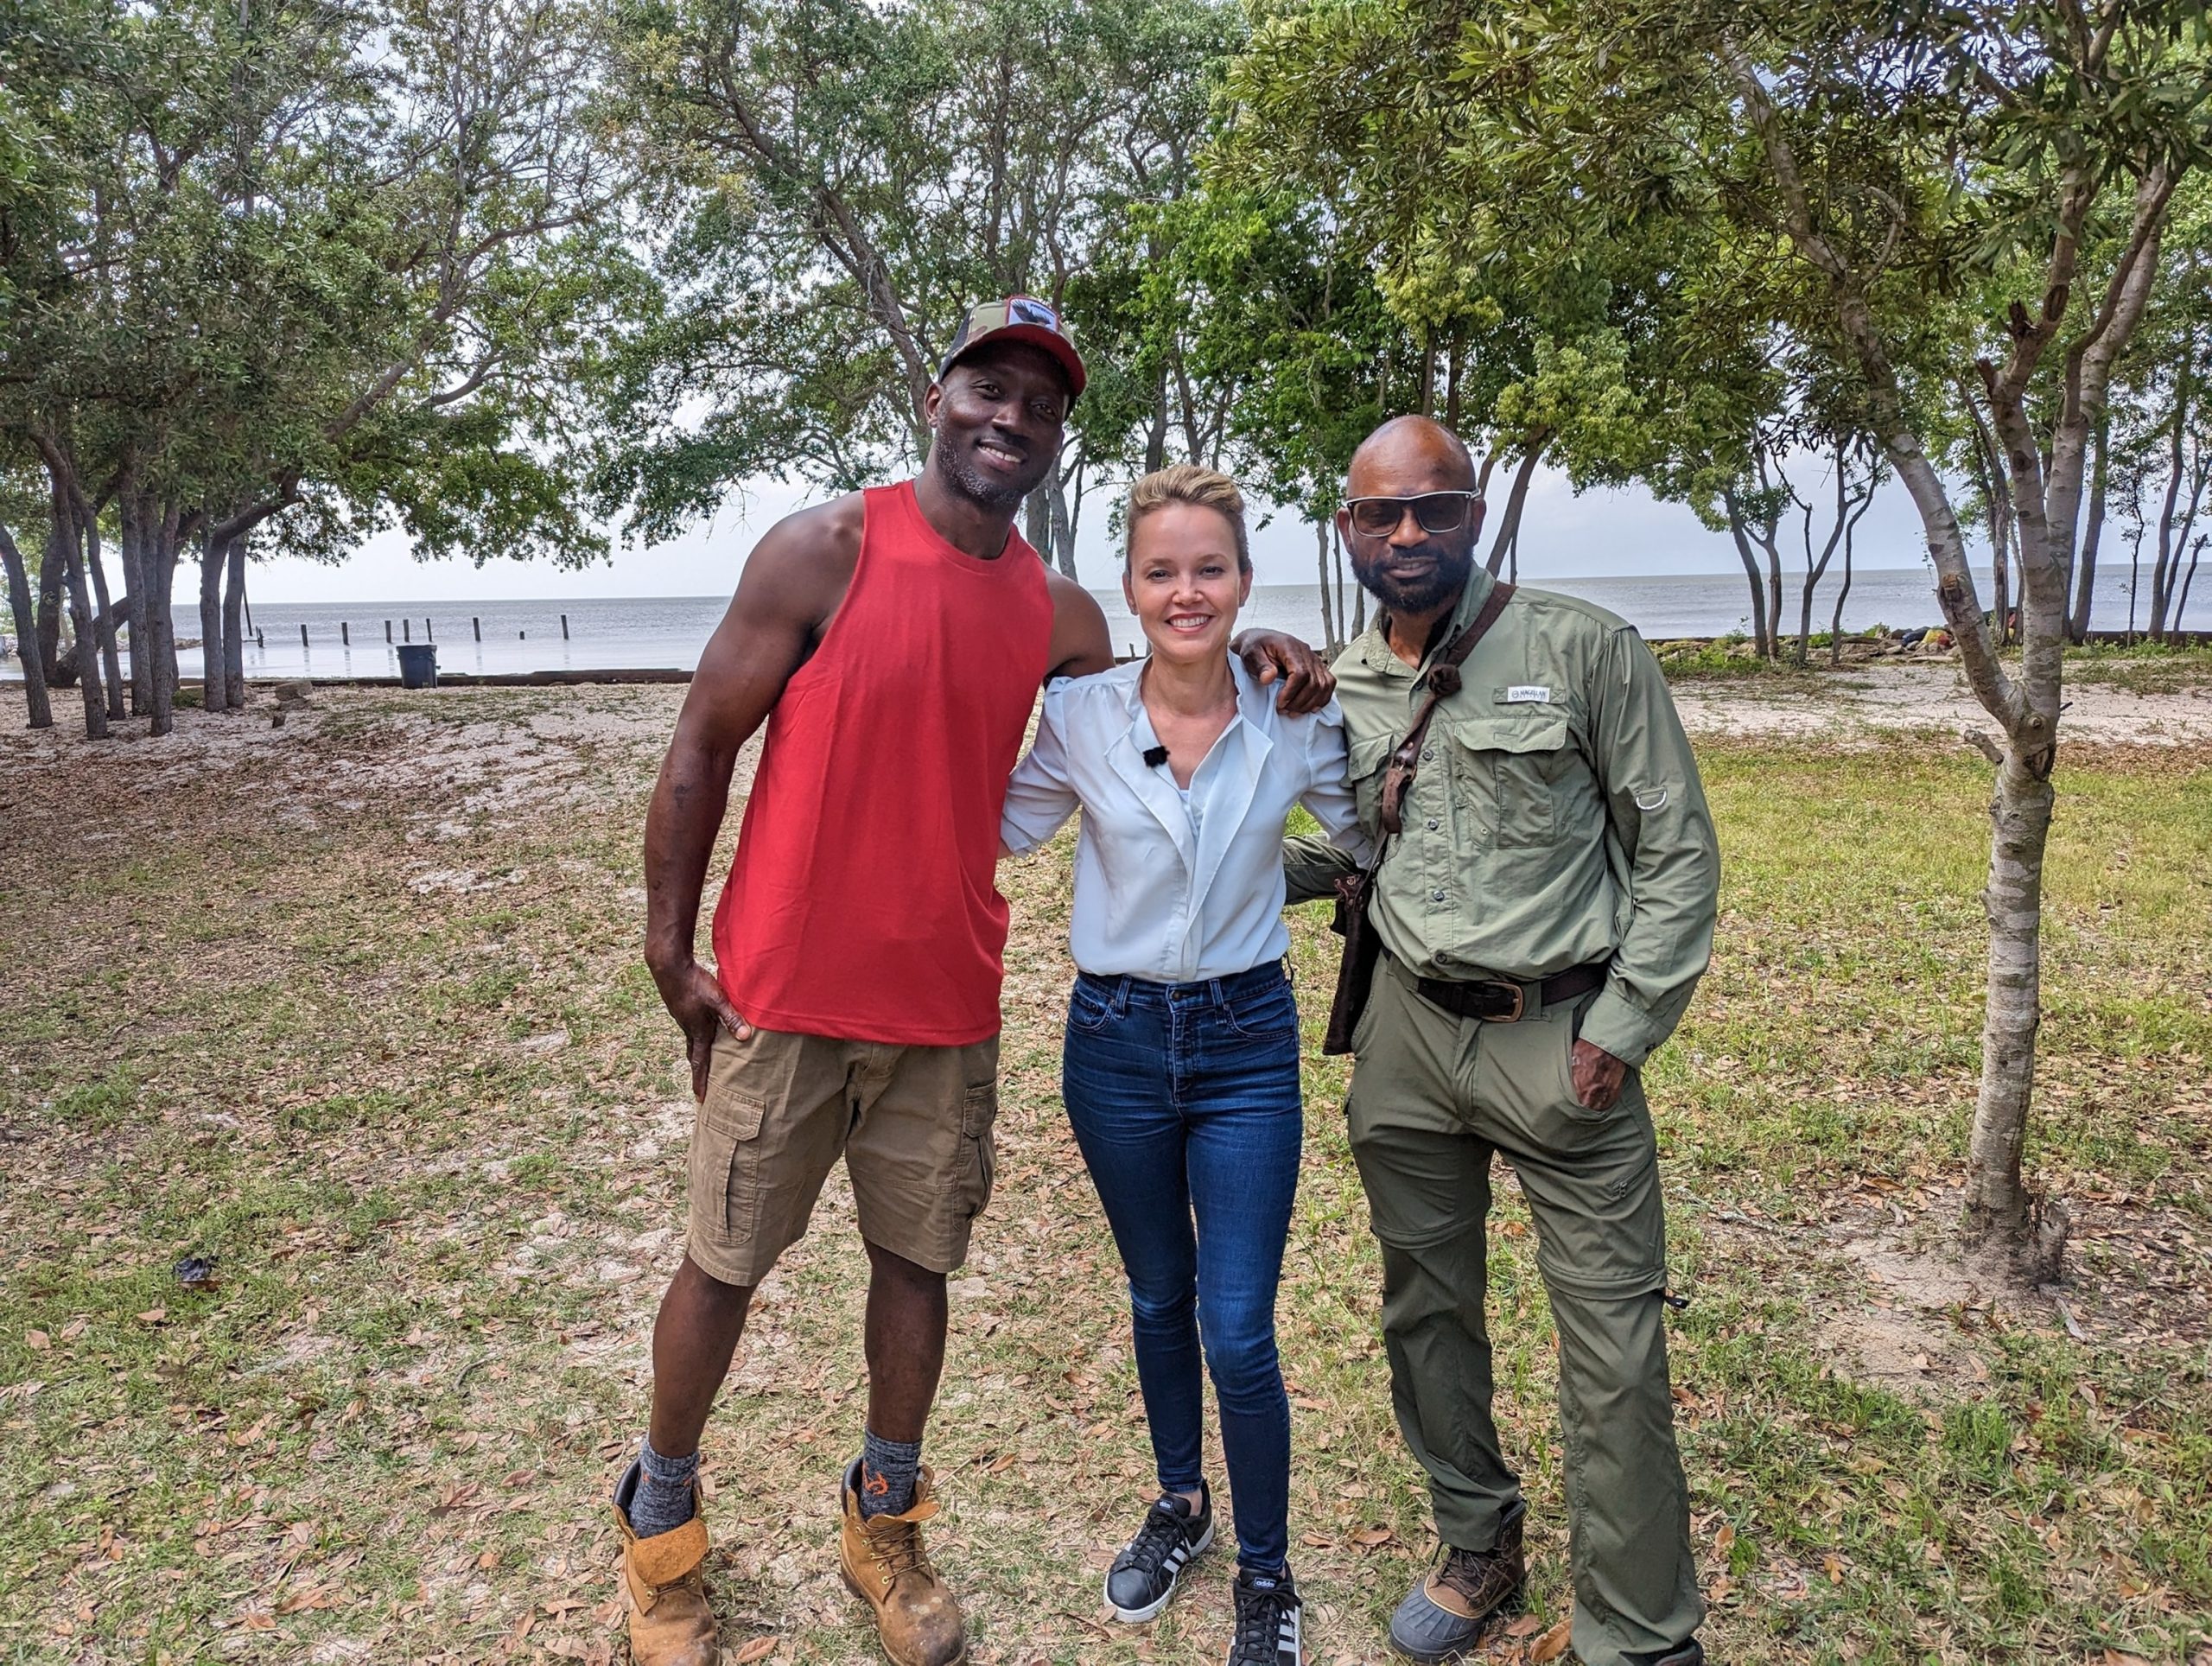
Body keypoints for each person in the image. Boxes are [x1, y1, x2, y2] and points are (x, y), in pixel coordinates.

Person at [620, 299, 1332, 1666]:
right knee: (722, 1267)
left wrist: (1256, 649)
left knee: (918, 1268)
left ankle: (886, 1525)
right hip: (786, 990)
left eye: (1041, 406)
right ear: (937, 399)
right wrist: (670, 948)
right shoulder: (823, 550)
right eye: (988, 390)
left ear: (1058, 442)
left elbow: (1158, 690)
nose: (1011, 417)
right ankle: (660, 1531)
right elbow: (703, 744)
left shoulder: (1055, 611)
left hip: (947, 1005)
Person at [1283, 416, 1720, 1666]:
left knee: (1616, 1353)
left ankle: (1637, 1634)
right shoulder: (1340, 683)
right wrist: (1192, 845)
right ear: (1349, 529)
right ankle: (1477, 1539)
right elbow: (1353, 846)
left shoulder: (1584, 649)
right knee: (1426, 1309)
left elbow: (1676, 853)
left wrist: (1625, 1028)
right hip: (1410, 1039)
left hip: (1563, 1036)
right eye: (1382, 514)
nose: (1408, 533)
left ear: (1476, 516)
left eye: (1436, 508)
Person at [999, 464, 1368, 1666]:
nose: (1186, 591)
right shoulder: (1083, 716)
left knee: (1237, 1328)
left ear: (1246, 583)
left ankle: (1268, 1570)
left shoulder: (1297, 716)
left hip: (1246, 1045)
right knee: (1157, 1296)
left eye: (1210, 568)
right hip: (1112, 1042)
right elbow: (991, 828)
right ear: (1132, 587)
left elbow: (1374, 834)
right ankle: (1180, 1506)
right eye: (1162, 571)